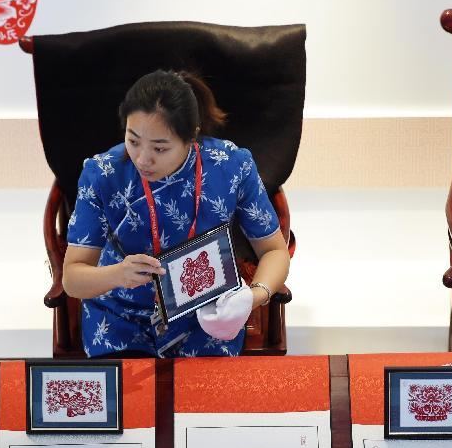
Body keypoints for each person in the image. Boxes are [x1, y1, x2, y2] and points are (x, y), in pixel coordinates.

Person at [62, 70, 290, 357]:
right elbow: (72, 278)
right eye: (133, 140)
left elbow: (274, 250)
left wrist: (253, 297)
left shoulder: (231, 165)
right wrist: (118, 274)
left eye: (160, 148)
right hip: (120, 314)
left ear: (191, 137)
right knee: (125, 385)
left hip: (207, 312)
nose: (143, 159)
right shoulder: (103, 172)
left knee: (206, 386)